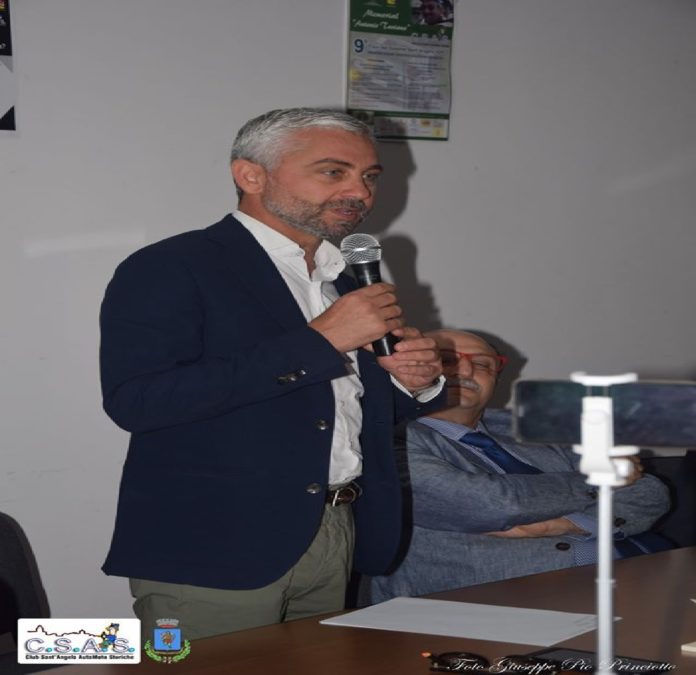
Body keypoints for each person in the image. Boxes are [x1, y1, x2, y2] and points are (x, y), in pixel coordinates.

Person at [99, 108, 444, 638]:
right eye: (334, 172)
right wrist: (321, 341)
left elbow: (332, 411)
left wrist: (411, 383)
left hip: (336, 527)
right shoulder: (171, 266)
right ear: (251, 175)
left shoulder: (343, 278)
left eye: (369, 176)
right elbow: (139, 402)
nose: (360, 192)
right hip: (216, 543)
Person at [368, 329, 671, 603]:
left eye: (483, 364)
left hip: (638, 574)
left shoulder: (533, 427)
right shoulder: (383, 441)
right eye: (447, 360)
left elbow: (650, 492)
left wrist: (565, 524)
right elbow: (493, 504)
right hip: (490, 607)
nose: (466, 370)